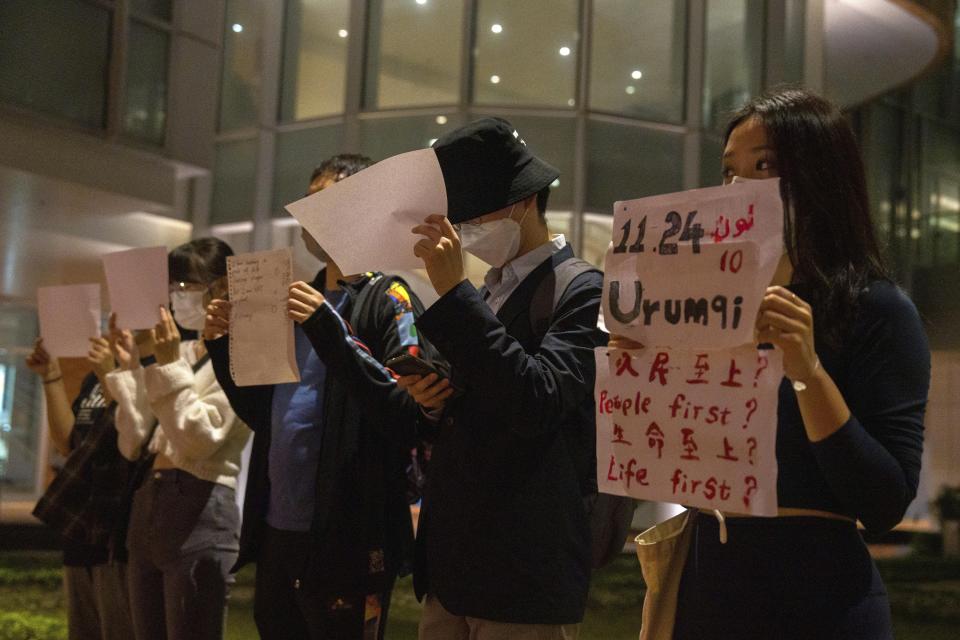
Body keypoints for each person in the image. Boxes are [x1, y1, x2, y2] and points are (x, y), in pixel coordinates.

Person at [642, 89, 929, 639]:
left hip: (818, 603)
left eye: (765, 166)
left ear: (819, 177)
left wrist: (807, 370)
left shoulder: (878, 310)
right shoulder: (703, 308)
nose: (738, 188)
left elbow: (884, 502)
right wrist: (645, 374)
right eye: (729, 173)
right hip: (709, 591)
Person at [202, 153, 428, 640]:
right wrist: (222, 348)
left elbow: (406, 413)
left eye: (328, 202)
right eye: (309, 202)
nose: (312, 215)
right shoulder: (291, 299)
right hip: (280, 527)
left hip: (351, 534)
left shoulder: (390, 298)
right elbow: (263, 415)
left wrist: (329, 328)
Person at [400, 117, 605, 639]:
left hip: (524, 572)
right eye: (459, 218)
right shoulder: (485, 291)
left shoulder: (581, 289)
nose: (466, 230)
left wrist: (455, 298)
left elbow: (539, 399)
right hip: (453, 565)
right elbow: (471, 403)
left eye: (475, 214)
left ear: (525, 200)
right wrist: (432, 400)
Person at [104, 237, 250, 640]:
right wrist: (132, 365)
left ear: (222, 287)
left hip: (201, 504)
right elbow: (133, 442)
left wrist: (165, 365)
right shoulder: (183, 350)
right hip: (151, 501)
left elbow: (200, 440)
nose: (176, 299)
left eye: (186, 288)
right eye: (171, 289)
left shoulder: (244, 354)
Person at [29, 335, 136, 640]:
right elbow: (68, 444)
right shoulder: (95, 376)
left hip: (117, 528)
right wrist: (51, 377)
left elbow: (132, 433)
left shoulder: (141, 372)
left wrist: (109, 376)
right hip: (81, 526)